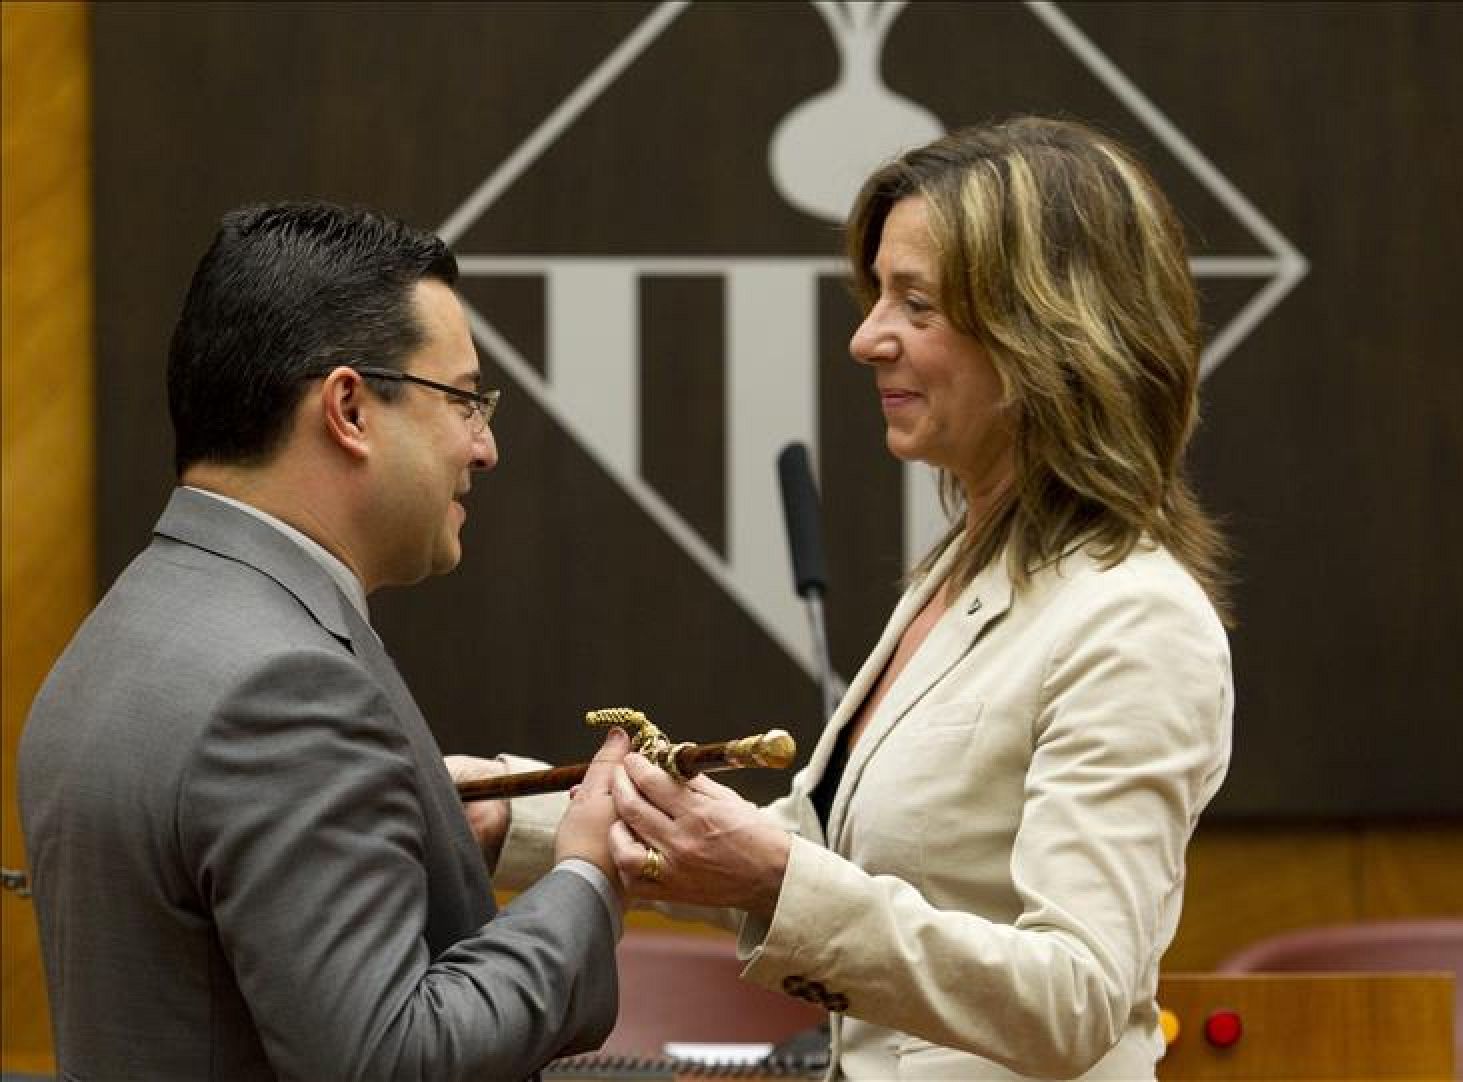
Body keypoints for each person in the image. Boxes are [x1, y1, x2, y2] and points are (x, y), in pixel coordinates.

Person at [454, 115, 1234, 1081]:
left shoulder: (1135, 620)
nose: (868, 339)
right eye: (877, 299)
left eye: (917, 305)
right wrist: (506, 816)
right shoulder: (968, 574)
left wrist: (777, 878)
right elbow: (827, 858)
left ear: (1049, 331)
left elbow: (1075, 1000)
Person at [18, 201, 629, 1082]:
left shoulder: (123, 630)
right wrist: (586, 879)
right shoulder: (284, 686)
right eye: (465, 401)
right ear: (348, 407)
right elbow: (394, 1060)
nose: (484, 446)